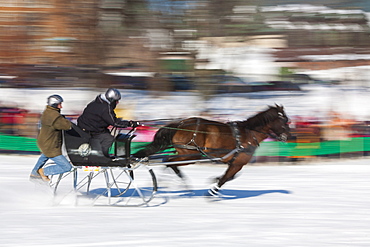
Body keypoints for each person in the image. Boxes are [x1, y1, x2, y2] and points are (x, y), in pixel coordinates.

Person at [77, 88, 139, 158]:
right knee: (108, 138)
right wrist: (130, 124)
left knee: (106, 133)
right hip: (92, 130)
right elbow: (114, 122)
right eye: (116, 101)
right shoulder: (106, 107)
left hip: (85, 128)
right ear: (111, 100)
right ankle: (101, 157)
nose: (117, 103)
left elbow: (102, 117)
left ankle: (98, 154)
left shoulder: (96, 102)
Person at [30, 94, 72, 182]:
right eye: (59, 104)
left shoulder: (48, 112)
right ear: (54, 104)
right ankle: (43, 172)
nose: (61, 106)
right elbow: (67, 126)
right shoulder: (54, 116)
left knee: (44, 156)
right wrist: (67, 121)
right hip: (50, 145)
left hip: (45, 142)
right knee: (66, 167)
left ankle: (34, 173)